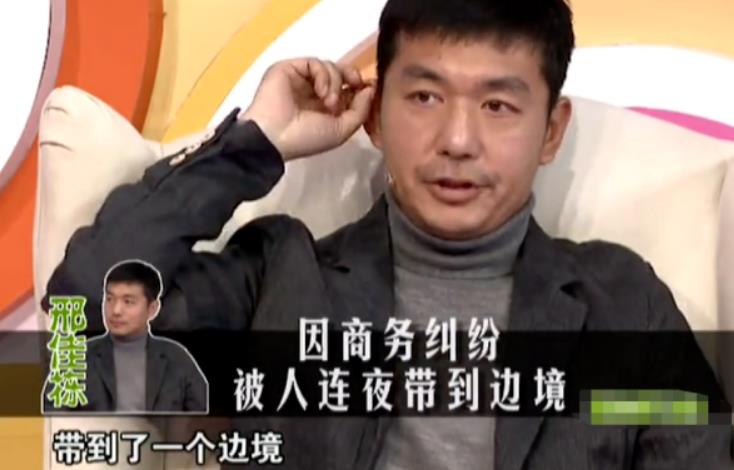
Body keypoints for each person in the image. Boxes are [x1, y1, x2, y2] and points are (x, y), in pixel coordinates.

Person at [43, 0, 732, 467]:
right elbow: (83, 312)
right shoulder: (283, 277)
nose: (457, 140)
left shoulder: (622, 303)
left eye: (498, 105)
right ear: (374, 115)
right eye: (425, 97)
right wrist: (254, 143)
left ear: (551, 131)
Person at [44, 260, 208, 414]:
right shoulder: (76, 358)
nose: (116, 310)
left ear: (152, 309)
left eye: (128, 302)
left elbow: (204, 416)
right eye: (109, 299)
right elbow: (53, 416)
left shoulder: (176, 358)